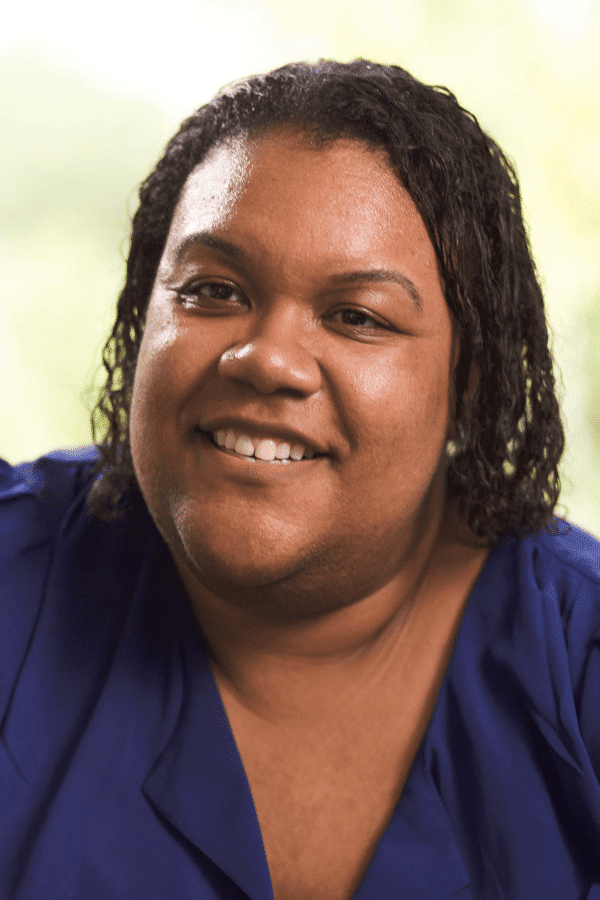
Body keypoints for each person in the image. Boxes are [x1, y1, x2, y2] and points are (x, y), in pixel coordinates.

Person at [1, 58, 599, 900]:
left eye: (357, 316)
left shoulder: (578, 666)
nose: (266, 359)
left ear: (470, 381)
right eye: (213, 290)